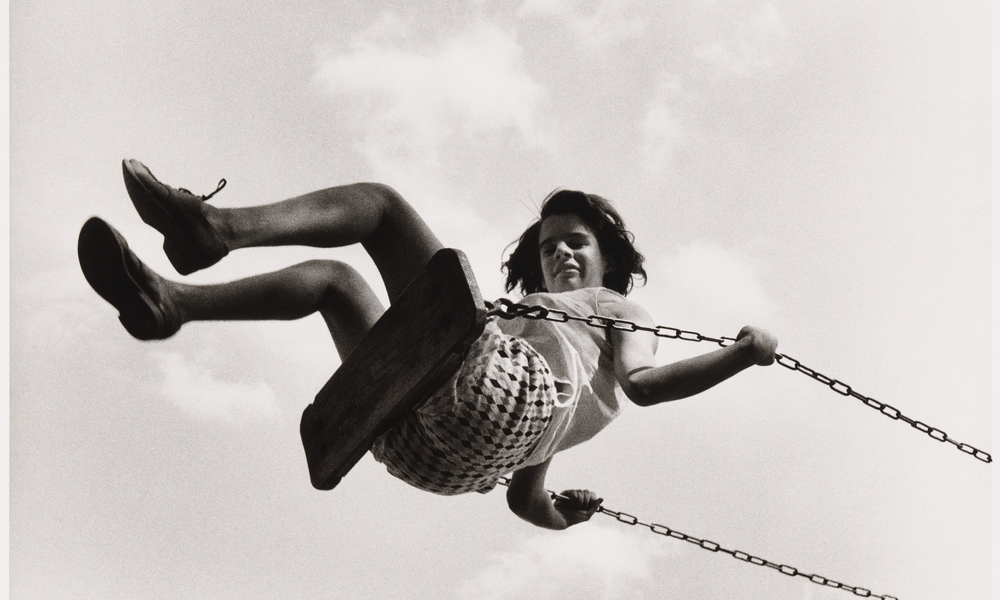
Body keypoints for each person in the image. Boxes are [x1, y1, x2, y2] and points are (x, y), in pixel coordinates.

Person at [78, 161, 777, 530]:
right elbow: (523, 502)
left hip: (486, 407)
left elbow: (646, 385)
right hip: (422, 447)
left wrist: (742, 354)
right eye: (547, 245)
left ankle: (216, 229)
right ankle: (171, 304)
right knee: (336, 283)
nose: (560, 252)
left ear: (608, 259)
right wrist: (566, 517)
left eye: (577, 241)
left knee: (380, 208)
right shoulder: (553, 390)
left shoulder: (615, 306)